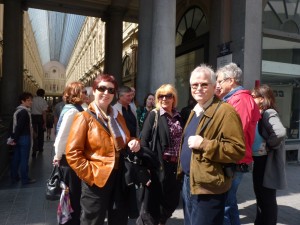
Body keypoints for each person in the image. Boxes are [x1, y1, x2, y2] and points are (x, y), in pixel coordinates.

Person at [66, 74, 140, 225]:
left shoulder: (117, 115)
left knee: (119, 219)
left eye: (111, 90)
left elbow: (126, 139)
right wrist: (91, 175)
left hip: (120, 177)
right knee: (93, 221)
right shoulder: (84, 117)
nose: (106, 93)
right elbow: (72, 153)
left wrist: (134, 142)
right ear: (94, 91)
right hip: (97, 179)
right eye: (102, 88)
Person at [178, 64, 245, 225]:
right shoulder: (196, 110)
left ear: (214, 86)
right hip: (190, 182)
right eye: (195, 85)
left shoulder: (225, 111)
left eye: (204, 84)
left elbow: (237, 150)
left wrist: (204, 144)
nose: (198, 88)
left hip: (209, 187)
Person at [215, 62, 261, 225]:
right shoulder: (234, 99)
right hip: (234, 159)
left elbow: (234, 133)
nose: (217, 85)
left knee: (225, 205)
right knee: (229, 202)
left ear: (231, 80)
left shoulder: (240, 100)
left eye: (220, 81)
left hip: (233, 160)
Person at [139, 84, 183, 225]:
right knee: (155, 203)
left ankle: (161, 220)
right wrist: (146, 167)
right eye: (161, 96)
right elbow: (144, 141)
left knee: (172, 200)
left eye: (168, 96)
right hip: (159, 165)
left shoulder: (178, 116)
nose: (164, 99)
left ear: (173, 98)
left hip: (176, 166)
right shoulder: (154, 115)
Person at [251, 84, 287, 225]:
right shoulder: (260, 113)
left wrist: (270, 144)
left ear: (262, 98)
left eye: (253, 96)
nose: (251, 99)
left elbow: (280, 132)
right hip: (260, 161)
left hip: (266, 162)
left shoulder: (268, 112)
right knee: (261, 196)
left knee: (267, 198)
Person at [53, 81, 86, 225]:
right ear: (75, 94)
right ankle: (72, 220)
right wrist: (57, 155)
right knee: (72, 193)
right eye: (83, 92)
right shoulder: (73, 111)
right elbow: (62, 136)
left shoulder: (75, 108)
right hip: (69, 159)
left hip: (72, 157)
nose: (86, 94)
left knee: (74, 192)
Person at [9, 92, 36, 185]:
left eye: (31, 100)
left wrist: (14, 138)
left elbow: (13, 126)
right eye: (28, 100)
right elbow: (19, 127)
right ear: (22, 101)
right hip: (24, 138)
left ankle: (14, 177)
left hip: (18, 138)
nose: (31, 102)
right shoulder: (24, 112)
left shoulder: (17, 110)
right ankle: (25, 179)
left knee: (16, 158)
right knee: (24, 159)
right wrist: (15, 139)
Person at [31, 88, 48, 157]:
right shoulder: (43, 101)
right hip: (40, 118)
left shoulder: (32, 100)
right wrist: (45, 122)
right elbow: (44, 113)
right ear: (43, 94)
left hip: (33, 118)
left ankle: (34, 150)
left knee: (34, 134)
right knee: (41, 134)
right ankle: (40, 148)